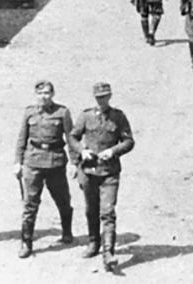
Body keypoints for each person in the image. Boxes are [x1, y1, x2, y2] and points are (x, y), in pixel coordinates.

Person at [70, 82, 135, 273]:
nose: (102, 100)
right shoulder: (86, 115)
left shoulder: (118, 116)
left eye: (105, 96)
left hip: (109, 171)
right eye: (99, 97)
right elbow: (73, 137)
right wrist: (82, 151)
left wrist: (113, 151)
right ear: (94, 97)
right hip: (89, 171)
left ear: (110, 96)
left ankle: (108, 254)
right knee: (91, 209)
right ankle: (93, 243)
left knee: (107, 211)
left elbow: (129, 141)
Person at [14, 80, 74, 259]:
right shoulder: (29, 113)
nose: (44, 97)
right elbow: (21, 139)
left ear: (53, 94)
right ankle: (26, 242)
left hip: (55, 162)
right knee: (30, 204)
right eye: (40, 93)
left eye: (47, 93)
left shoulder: (62, 113)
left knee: (62, 199)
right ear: (36, 95)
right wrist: (17, 162)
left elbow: (71, 139)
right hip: (33, 162)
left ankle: (67, 231)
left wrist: (74, 163)